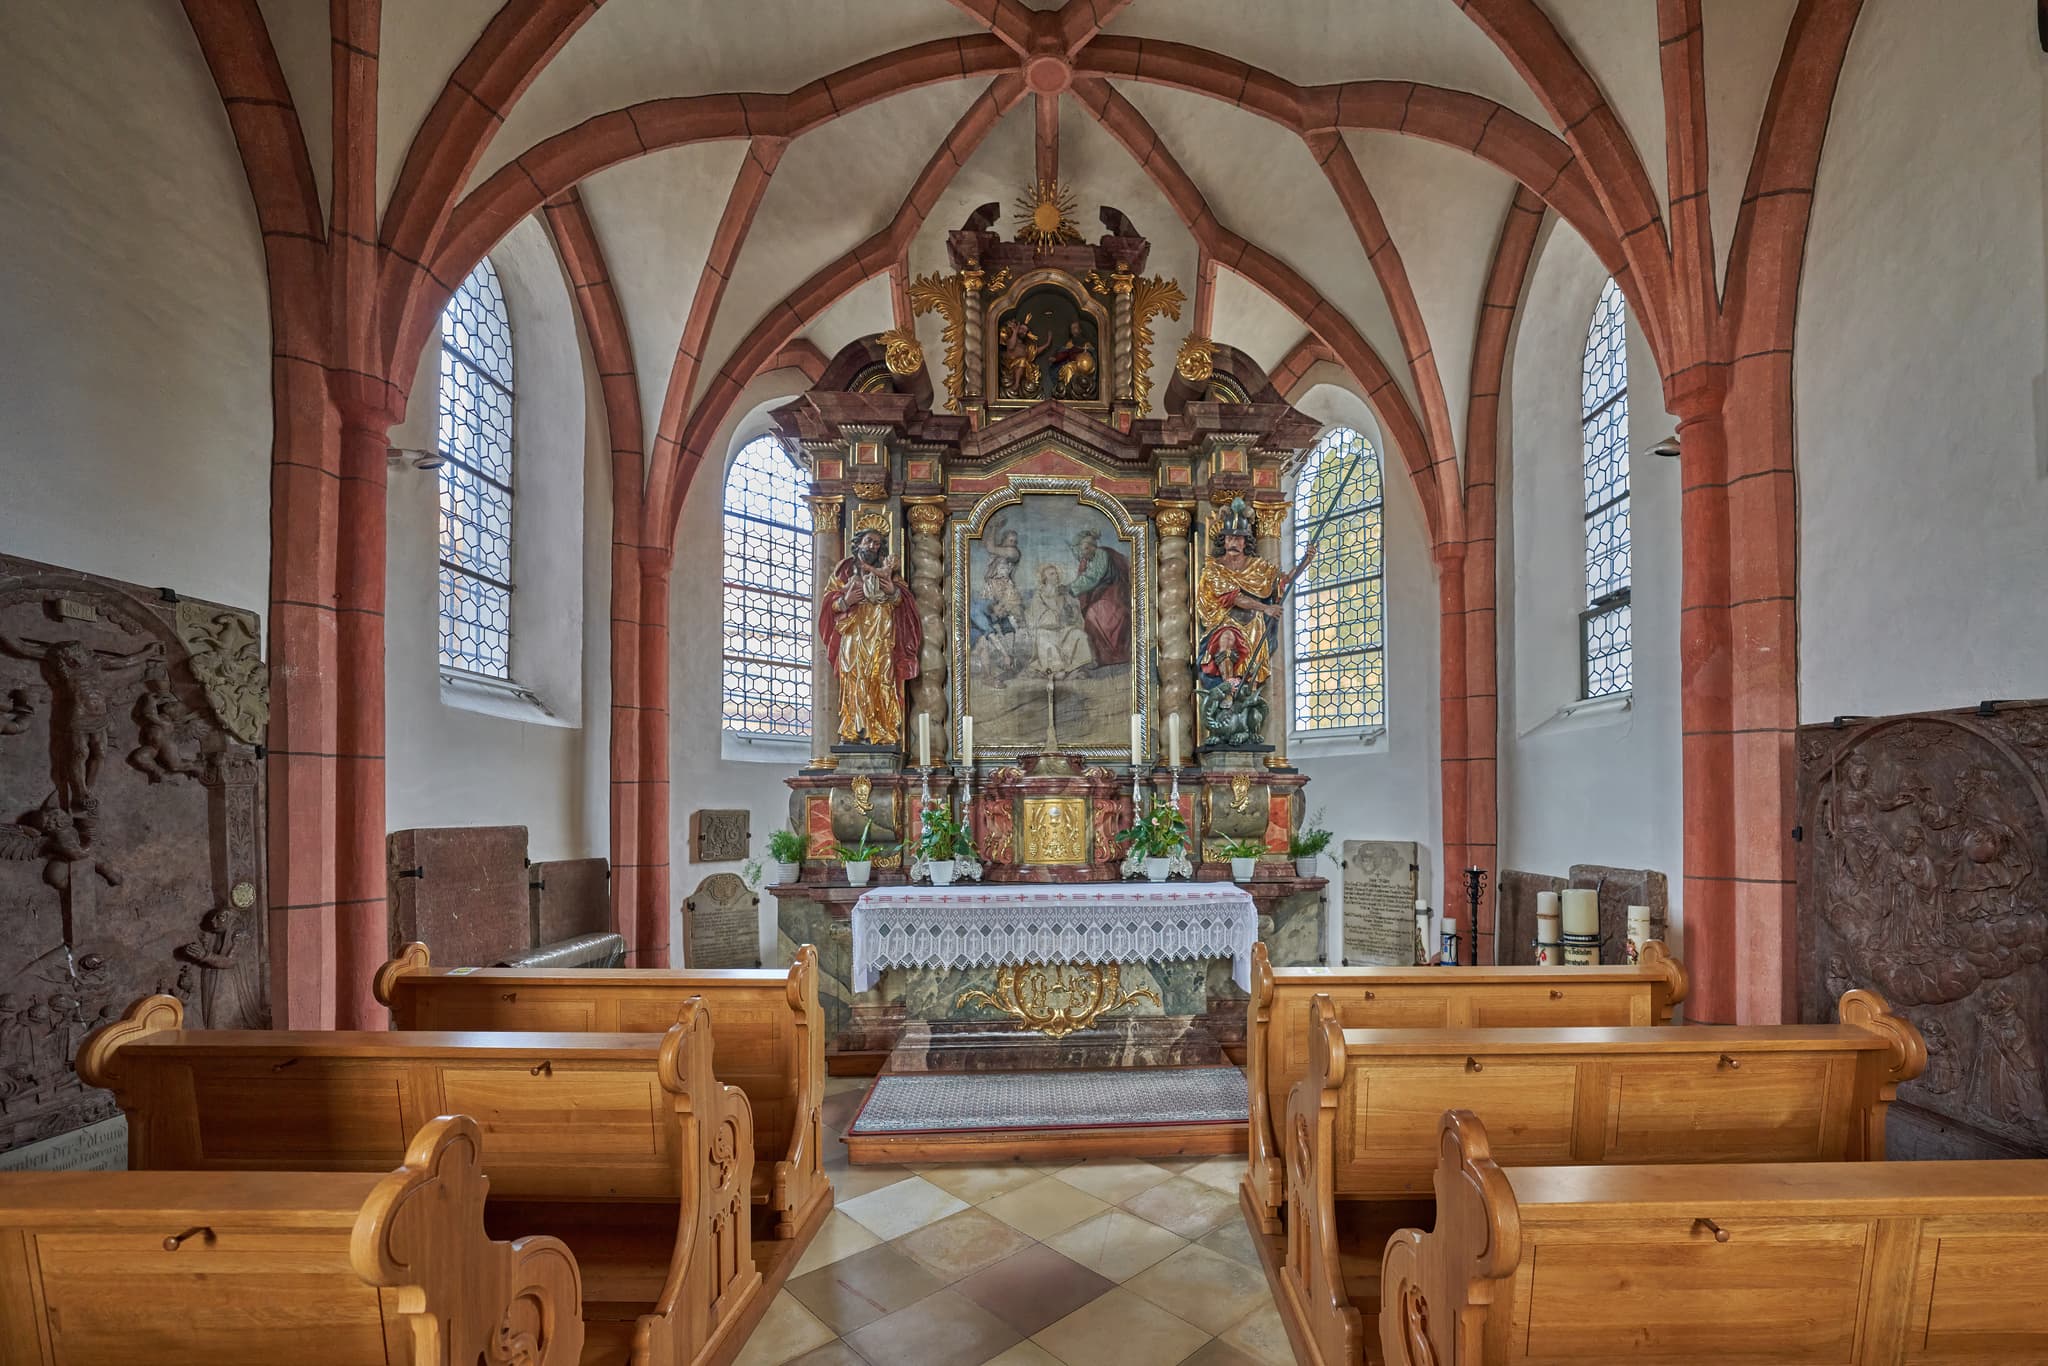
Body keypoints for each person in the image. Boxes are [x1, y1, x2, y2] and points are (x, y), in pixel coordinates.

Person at [817, 526, 922, 745]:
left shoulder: (888, 572)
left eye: (877, 543)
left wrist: (893, 591)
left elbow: (904, 602)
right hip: (854, 632)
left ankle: (883, 731)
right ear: (858, 544)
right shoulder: (844, 570)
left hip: (881, 631)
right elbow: (829, 603)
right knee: (853, 676)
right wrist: (846, 601)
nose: (873, 546)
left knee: (881, 676)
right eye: (869, 541)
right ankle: (853, 730)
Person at [1069, 528, 1130, 667]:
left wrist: (1070, 588)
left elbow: (1093, 578)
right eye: (1081, 550)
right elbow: (1083, 578)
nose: (1083, 553)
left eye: (1085, 549)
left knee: (1094, 614)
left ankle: (1110, 656)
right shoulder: (1086, 560)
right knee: (1091, 614)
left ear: (1092, 546)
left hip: (1114, 592)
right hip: (1100, 592)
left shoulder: (1101, 554)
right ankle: (1099, 656)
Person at [1024, 564, 1094, 680]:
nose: (1056, 575)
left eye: (1056, 573)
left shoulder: (1063, 592)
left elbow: (1074, 612)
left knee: (1079, 635)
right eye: (1052, 574)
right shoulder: (1039, 595)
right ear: (1044, 578)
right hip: (1046, 631)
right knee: (1045, 640)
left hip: (1063, 629)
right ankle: (1058, 670)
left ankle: (1075, 668)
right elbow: (1040, 617)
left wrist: (1070, 609)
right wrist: (1058, 613)